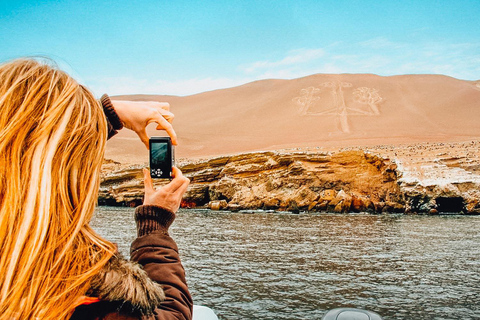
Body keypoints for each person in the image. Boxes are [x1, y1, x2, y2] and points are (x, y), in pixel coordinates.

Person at [0, 58, 192, 319]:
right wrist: (154, 226)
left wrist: (105, 115)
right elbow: (172, 313)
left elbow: (28, 144)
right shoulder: (76, 294)